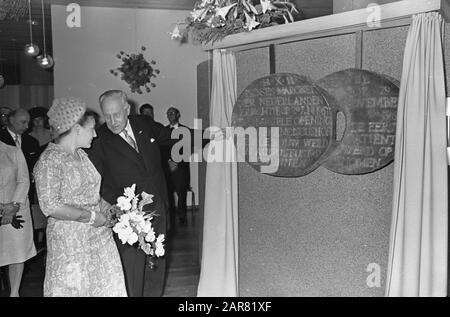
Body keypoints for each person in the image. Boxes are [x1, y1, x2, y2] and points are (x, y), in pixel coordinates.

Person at [33, 97, 127, 297]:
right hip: (71, 244)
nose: (95, 134)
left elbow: (91, 193)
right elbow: (49, 205)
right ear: (76, 129)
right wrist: (91, 217)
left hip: (99, 238)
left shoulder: (82, 155)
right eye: (92, 128)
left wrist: (108, 207)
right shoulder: (50, 160)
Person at [88, 90, 172, 297]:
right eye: (107, 115)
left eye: (117, 114)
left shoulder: (143, 124)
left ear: (127, 109)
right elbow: (96, 181)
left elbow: (173, 137)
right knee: (132, 268)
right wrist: (117, 204)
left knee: (157, 260)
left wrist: (211, 136)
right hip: (128, 216)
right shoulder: (99, 139)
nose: (112, 121)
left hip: (158, 207)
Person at [0, 140, 37, 297]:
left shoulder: (12, 151)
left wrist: (13, 205)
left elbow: (23, 180)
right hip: (3, 209)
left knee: (16, 253)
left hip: (14, 209)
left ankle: (14, 293)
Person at [163, 107, 191, 226]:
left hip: (180, 167)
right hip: (167, 167)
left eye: (172, 113)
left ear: (178, 115)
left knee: (181, 192)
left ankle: (182, 216)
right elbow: (161, 149)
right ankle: (170, 217)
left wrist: (176, 162)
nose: (170, 115)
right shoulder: (163, 130)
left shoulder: (185, 130)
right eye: (168, 113)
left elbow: (187, 149)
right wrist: (169, 161)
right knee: (167, 192)